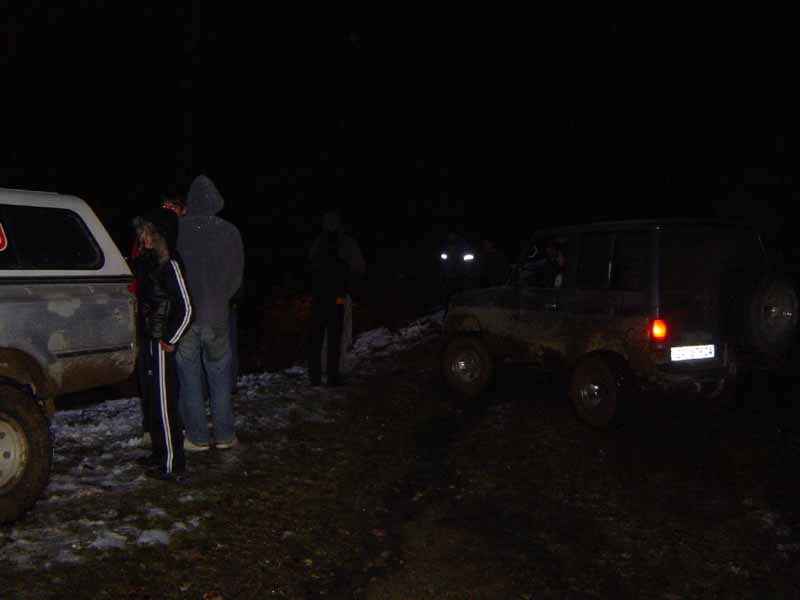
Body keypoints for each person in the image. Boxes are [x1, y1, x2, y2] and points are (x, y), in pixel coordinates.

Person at [175, 175, 244, 451]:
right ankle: (225, 435)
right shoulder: (230, 232)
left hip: (186, 318)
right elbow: (236, 277)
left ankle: (198, 437)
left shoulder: (177, 231)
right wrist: (220, 300)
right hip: (216, 316)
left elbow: (170, 275)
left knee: (189, 379)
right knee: (220, 375)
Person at [131, 207, 193, 481]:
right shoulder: (149, 262)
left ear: (161, 236)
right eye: (143, 232)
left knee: (165, 405)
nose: (144, 238)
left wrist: (170, 339)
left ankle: (172, 463)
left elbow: (187, 308)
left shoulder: (171, 264)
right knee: (152, 403)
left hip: (161, 345)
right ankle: (159, 453)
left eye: (149, 233)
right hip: (147, 341)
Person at [308, 210, 365, 385]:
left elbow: (309, 265)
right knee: (335, 336)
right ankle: (333, 376)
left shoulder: (318, 242)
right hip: (338, 297)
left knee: (316, 337)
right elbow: (359, 267)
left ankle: (315, 376)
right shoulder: (347, 243)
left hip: (319, 297)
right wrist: (349, 287)